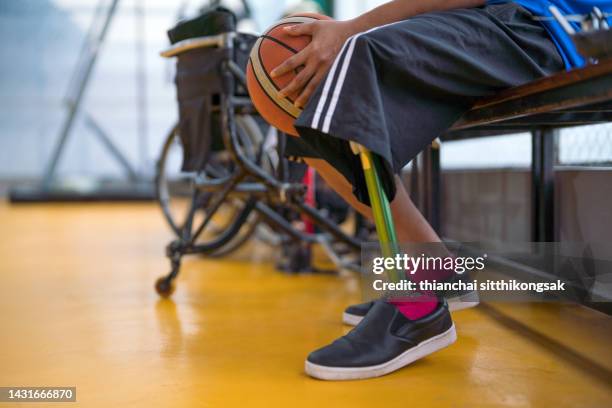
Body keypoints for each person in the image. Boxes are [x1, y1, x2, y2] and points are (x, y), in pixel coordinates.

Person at [270, 0, 611, 380]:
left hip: (554, 28)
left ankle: (418, 310)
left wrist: (353, 29)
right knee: (297, 110)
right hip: (507, 22)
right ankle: (436, 271)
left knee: (360, 59)